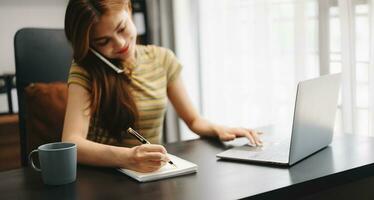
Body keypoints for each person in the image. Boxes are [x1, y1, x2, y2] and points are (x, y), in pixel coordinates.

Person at [62, 0, 262, 173]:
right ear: (89, 46)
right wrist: (129, 157)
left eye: (121, 28)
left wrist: (220, 129)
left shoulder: (162, 58)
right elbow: (72, 143)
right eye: (104, 41)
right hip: (103, 178)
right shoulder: (84, 70)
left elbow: (193, 120)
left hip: (149, 174)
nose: (120, 43)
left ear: (129, 9)